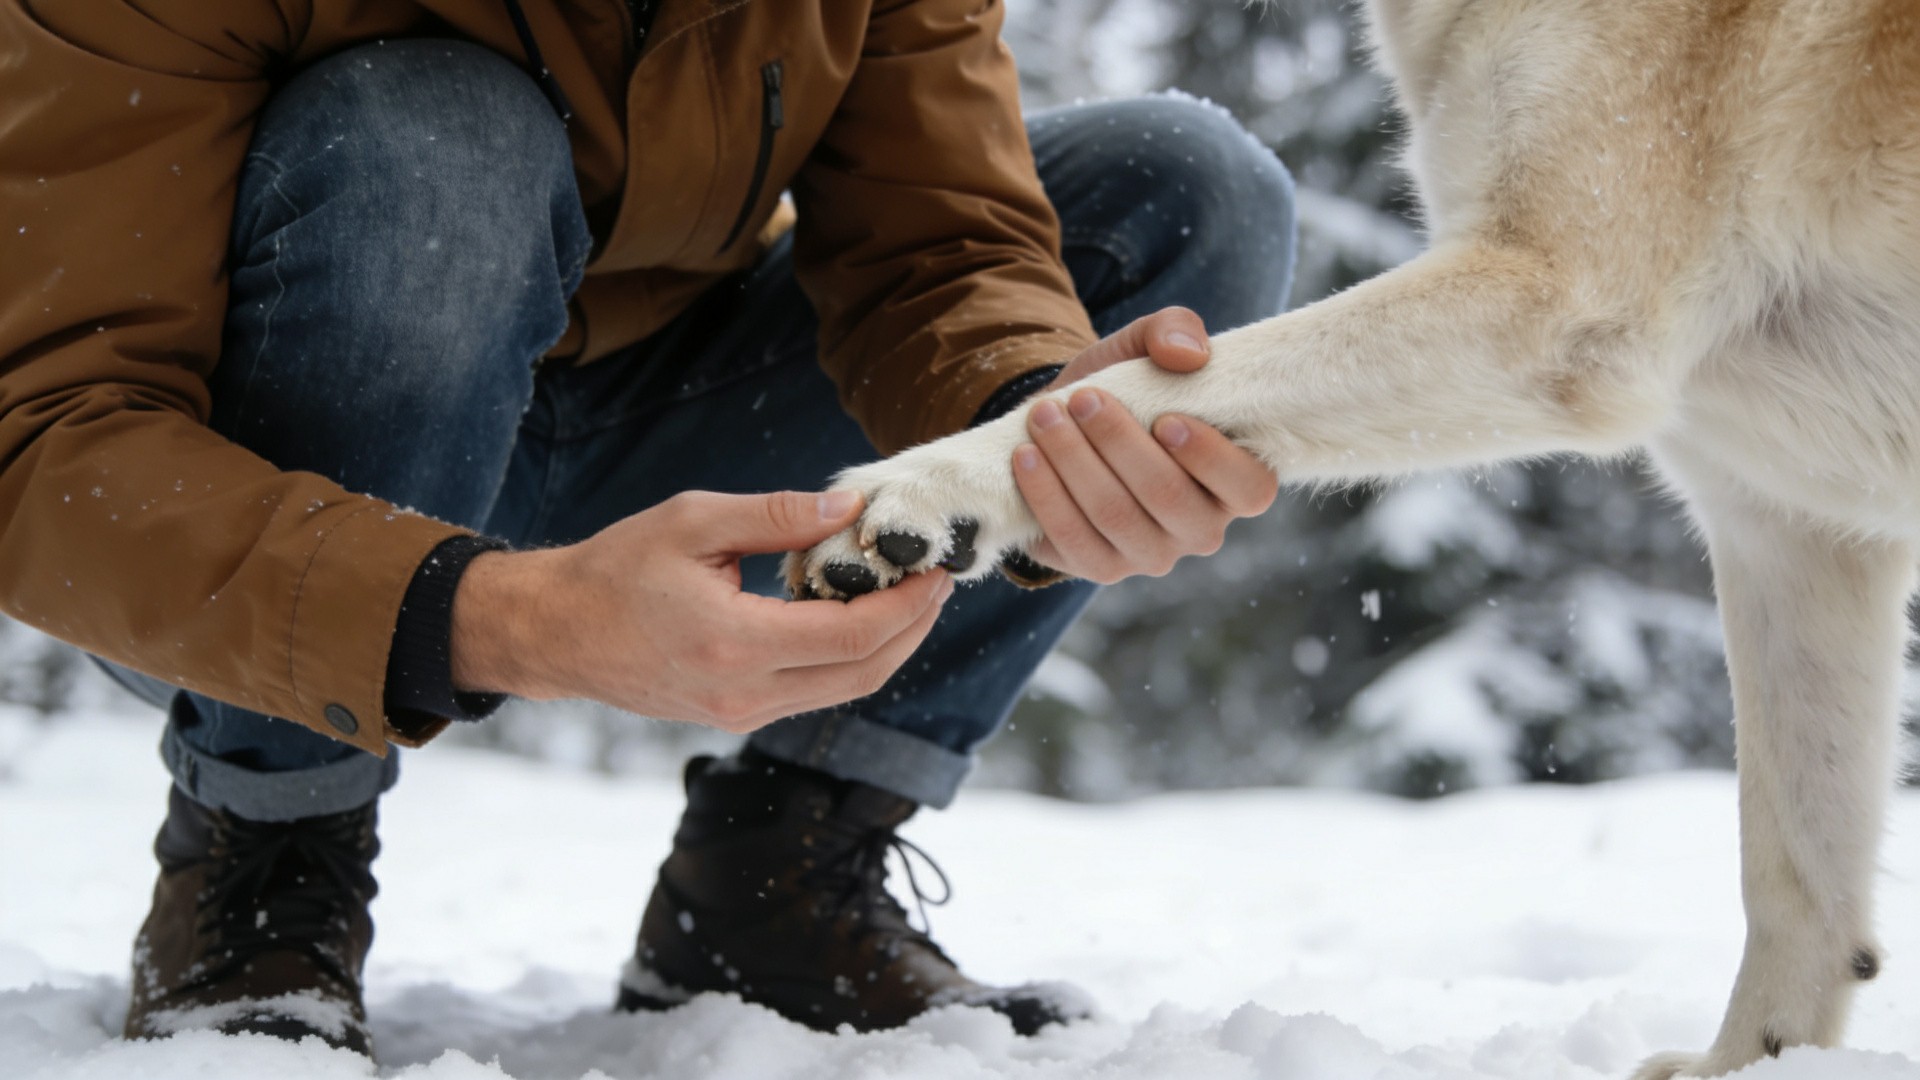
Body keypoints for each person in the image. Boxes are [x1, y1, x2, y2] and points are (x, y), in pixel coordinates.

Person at [0, 0, 1295, 1057]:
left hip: (673, 414)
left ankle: (781, 875)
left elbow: (940, 252)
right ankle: (265, 853)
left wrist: (1029, 432)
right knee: (441, 133)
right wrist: (508, 619)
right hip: (293, 468)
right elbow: (42, 428)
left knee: (1187, 192)